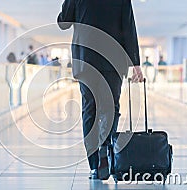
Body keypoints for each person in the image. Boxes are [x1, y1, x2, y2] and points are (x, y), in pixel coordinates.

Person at [58, 0, 143, 180]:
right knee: (110, 108)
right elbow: (129, 27)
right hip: (113, 59)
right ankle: (106, 148)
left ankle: (94, 163)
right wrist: (135, 63)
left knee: (90, 109)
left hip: (86, 58)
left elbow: (63, 22)